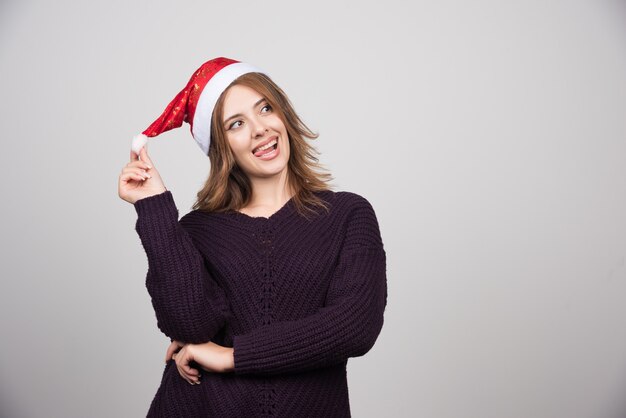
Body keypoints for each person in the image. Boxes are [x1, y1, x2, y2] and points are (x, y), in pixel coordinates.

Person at [117, 57, 388, 418]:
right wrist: (153, 207)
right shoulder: (198, 229)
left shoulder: (347, 214)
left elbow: (354, 326)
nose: (259, 129)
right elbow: (189, 323)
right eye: (237, 124)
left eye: (265, 108)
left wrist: (232, 356)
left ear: (284, 115)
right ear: (220, 146)